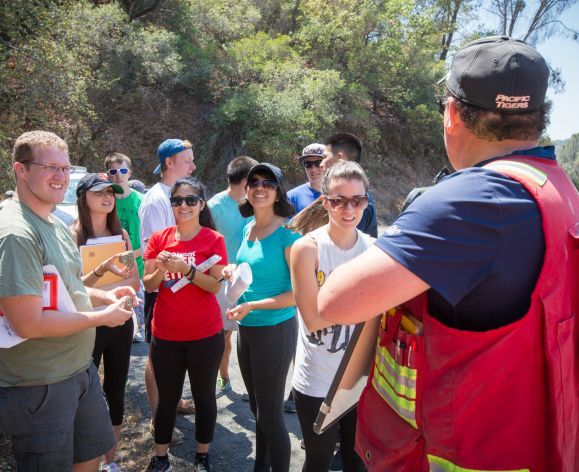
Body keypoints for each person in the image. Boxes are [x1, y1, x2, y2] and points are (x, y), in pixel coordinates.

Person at [317, 37, 579, 471]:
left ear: (453, 113)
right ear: (537, 117)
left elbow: (337, 302)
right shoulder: (560, 191)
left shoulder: (469, 202)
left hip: (451, 451)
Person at [0, 130, 135, 471]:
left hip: (77, 371)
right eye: (49, 167)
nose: (60, 176)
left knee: (90, 458)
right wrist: (100, 316)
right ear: (21, 170)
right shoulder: (16, 234)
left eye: (65, 167)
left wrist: (104, 293)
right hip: (40, 386)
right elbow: (27, 323)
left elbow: (69, 287)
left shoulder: (54, 222)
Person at [289, 161, 372, 471]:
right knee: (319, 461)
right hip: (317, 380)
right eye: (338, 200)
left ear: (366, 201)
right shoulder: (307, 249)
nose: (348, 208)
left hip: (361, 381)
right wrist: (366, 303)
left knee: (357, 462)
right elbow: (312, 319)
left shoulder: (375, 250)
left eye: (357, 200)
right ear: (324, 202)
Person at [143, 177, 227, 472]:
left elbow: (214, 286)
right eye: (178, 200)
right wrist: (162, 269)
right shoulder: (160, 238)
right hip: (166, 334)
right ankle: (161, 456)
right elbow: (149, 283)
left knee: (204, 397)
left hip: (205, 333)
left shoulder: (213, 239)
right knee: (167, 399)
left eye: (191, 200)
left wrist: (188, 270)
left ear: (201, 204)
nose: (184, 206)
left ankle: (202, 455)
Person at [222, 163, 299, 472]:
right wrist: (230, 269)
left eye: (269, 182)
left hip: (275, 329)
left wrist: (253, 307)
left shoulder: (289, 233)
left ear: (278, 190)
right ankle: (261, 465)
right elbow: (248, 268)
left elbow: (297, 294)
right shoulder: (247, 228)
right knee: (257, 407)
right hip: (248, 328)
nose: (260, 187)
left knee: (270, 414)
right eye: (254, 182)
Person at [70, 173, 141, 472]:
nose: (107, 197)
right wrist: (105, 284)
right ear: (83, 197)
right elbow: (72, 289)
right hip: (87, 324)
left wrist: (117, 294)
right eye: (99, 192)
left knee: (116, 389)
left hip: (121, 321)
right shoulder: (72, 236)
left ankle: (110, 463)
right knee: (82, 392)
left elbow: (134, 281)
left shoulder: (121, 235)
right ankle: (82, 458)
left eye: (111, 192)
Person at [139, 138, 197, 429]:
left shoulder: (173, 194)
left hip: (180, 285)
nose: (193, 165)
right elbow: (153, 252)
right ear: (170, 163)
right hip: (161, 288)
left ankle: (173, 403)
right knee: (157, 355)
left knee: (177, 352)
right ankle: (158, 419)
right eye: (187, 160)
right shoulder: (155, 200)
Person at [207, 155, 258, 399]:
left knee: (250, 334)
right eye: (255, 179)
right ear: (246, 179)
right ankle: (223, 378)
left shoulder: (256, 204)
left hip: (252, 280)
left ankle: (252, 385)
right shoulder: (214, 206)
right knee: (223, 334)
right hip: (223, 281)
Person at [105, 152, 146, 342]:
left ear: (129, 173)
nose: (118, 175)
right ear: (108, 174)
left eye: (122, 170)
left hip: (137, 258)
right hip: (110, 260)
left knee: (135, 293)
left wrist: (134, 254)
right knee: (119, 294)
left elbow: (149, 236)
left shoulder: (141, 200)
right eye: (113, 171)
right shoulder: (106, 199)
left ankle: (136, 327)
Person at [320, 132, 378, 237]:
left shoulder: (361, 205)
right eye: (337, 201)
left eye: (325, 157)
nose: (321, 163)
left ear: (340, 157)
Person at [287, 143, 326, 213]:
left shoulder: (341, 193)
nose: (313, 169)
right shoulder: (291, 197)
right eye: (308, 164)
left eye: (318, 163)